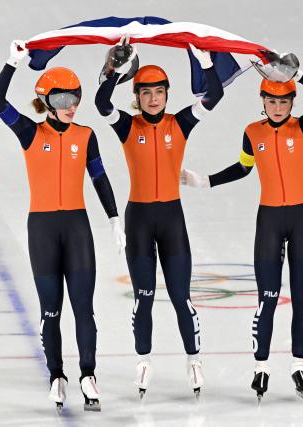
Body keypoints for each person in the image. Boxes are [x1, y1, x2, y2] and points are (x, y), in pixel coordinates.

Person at [181, 54, 303, 403]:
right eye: (271, 100)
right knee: (266, 300)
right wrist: (203, 181)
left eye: (284, 101)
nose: (278, 107)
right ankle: (260, 367)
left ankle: (298, 364)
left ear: (293, 102)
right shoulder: (253, 132)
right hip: (269, 220)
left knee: (302, 301)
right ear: (262, 102)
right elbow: (244, 168)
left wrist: (301, 74)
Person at [0, 40, 125, 413]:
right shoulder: (31, 134)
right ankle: (56, 376)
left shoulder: (85, 136)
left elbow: (99, 177)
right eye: (63, 100)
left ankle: (87, 374)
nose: (71, 108)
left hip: (77, 228)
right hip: (44, 231)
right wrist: (11, 63)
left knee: (84, 307)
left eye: (75, 99)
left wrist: (114, 218)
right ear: (46, 101)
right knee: (51, 310)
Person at [94, 39, 224, 398]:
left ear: (168, 94)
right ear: (137, 95)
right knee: (144, 296)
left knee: (182, 297)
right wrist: (114, 72)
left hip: (171, 220)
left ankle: (193, 359)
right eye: (146, 93)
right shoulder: (127, 126)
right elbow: (101, 103)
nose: (154, 99)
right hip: (139, 219)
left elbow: (215, 95)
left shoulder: (180, 122)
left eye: (160, 92)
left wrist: (205, 62)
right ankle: (144, 360)